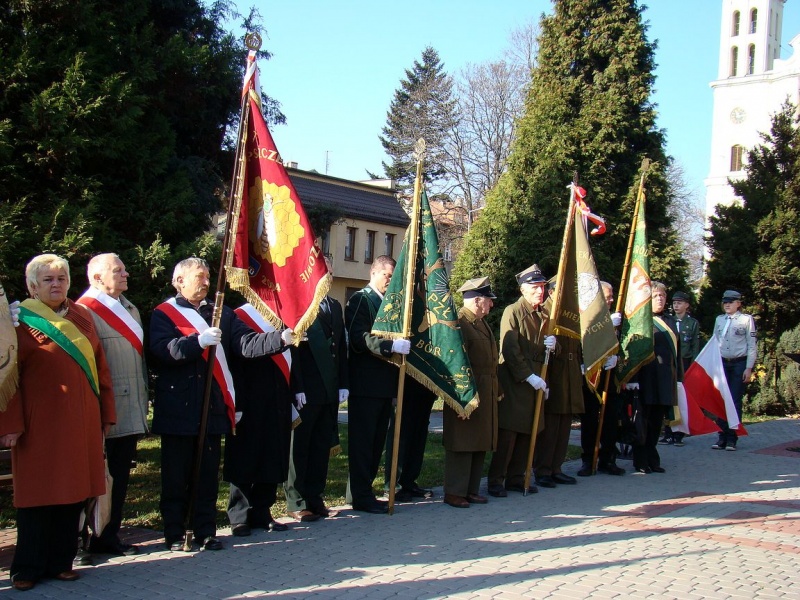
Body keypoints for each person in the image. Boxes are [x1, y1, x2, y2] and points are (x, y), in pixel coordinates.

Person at [149, 257, 296, 551]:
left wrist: (280, 338)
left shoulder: (223, 314)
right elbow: (162, 352)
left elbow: (246, 344)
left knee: (206, 476)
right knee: (177, 477)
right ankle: (176, 533)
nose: (205, 282)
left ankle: (204, 531)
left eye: (207, 277)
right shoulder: (163, 314)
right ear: (179, 282)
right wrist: (197, 342)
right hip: (180, 407)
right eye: (199, 277)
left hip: (211, 407)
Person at [0, 254, 116, 591]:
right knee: (38, 496)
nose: (56, 284)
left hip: (81, 421)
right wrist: (10, 423)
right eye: (48, 279)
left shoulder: (82, 317)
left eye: (61, 278)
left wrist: (106, 413)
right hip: (38, 424)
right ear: (33, 285)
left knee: (72, 492)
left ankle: (60, 562)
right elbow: (8, 377)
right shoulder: (18, 320)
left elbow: (100, 368)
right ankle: (26, 568)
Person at [77, 254, 148, 557]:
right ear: (96, 278)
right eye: (117, 271)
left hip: (129, 406)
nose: (125, 274)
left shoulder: (129, 307)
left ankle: (108, 536)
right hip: (102, 410)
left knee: (117, 477)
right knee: (90, 480)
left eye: (124, 268)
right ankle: (80, 540)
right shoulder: (83, 311)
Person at [345, 255, 410, 514]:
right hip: (365, 384)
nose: (391, 281)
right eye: (388, 275)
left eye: (394, 277)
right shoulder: (360, 300)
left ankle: (361, 492)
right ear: (374, 272)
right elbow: (358, 337)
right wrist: (389, 346)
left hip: (385, 385)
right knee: (363, 442)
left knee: (375, 443)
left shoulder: (390, 304)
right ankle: (360, 495)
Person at [223, 303, 295, 537]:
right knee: (245, 454)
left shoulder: (283, 316)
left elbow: (295, 355)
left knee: (272, 453)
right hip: (249, 395)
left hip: (277, 394)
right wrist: (236, 401)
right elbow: (236, 358)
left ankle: (263, 511)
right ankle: (239, 515)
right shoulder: (240, 315)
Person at [488, 264, 555, 497]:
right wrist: (528, 375)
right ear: (523, 290)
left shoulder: (544, 314)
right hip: (516, 381)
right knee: (508, 433)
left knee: (529, 431)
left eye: (543, 287)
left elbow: (540, 349)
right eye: (535, 287)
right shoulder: (513, 311)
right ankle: (496, 479)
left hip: (536, 379)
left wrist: (549, 348)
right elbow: (510, 348)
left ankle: (517, 478)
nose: (541, 292)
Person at [285, 281, 349, 522]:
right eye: (323, 272)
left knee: (321, 446)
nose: (326, 277)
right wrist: (297, 387)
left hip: (329, 388)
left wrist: (343, 382)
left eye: (329, 273)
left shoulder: (334, 305)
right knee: (300, 447)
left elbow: (340, 348)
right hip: (307, 390)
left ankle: (315, 497)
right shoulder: (299, 305)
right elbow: (295, 350)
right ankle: (296, 501)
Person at [443, 277, 500, 508]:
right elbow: (453, 361)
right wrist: (459, 398)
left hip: (485, 389)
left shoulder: (480, 322)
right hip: (465, 390)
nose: (492, 304)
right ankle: (454, 491)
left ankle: (471, 489)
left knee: (479, 439)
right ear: (477, 300)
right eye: (489, 300)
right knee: (463, 440)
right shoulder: (459, 323)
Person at [626, 282, 682, 474]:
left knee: (657, 421)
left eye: (662, 296)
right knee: (644, 419)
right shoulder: (641, 321)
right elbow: (632, 351)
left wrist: (679, 378)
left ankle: (652, 456)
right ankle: (640, 459)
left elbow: (677, 354)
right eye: (656, 296)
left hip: (665, 378)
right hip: (646, 378)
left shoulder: (670, 321)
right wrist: (632, 377)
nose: (660, 299)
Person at [534, 277, 582, 489]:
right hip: (553, 373)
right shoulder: (546, 311)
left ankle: (556, 467)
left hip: (570, 374)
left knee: (564, 425)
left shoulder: (569, 314)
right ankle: (543, 469)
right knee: (551, 425)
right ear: (553, 291)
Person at [578, 281, 625, 476]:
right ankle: (588, 460)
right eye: (607, 296)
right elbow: (582, 340)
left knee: (610, 420)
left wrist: (618, 358)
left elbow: (628, 343)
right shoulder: (587, 317)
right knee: (589, 420)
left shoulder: (620, 320)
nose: (611, 299)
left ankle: (608, 458)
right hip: (591, 377)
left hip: (610, 378)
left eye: (612, 295)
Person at [711, 289, 757, 451]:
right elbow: (714, 342)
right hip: (722, 363)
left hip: (738, 363)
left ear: (738, 303)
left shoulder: (746, 320)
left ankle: (732, 437)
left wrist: (748, 368)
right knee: (721, 400)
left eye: (731, 302)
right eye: (725, 302)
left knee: (734, 400)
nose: (727, 305)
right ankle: (721, 436)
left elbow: (752, 345)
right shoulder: (719, 320)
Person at [384, 375, 436, 502]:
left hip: (425, 383)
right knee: (401, 433)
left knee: (419, 433)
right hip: (405, 381)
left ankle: (409, 481)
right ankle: (393, 485)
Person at [660, 290, 700, 446]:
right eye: (674, 303)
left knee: (681, 400)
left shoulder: (692, 323)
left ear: (687, 305)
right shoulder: (668, 321)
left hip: (685, 363)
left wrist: (694, 367)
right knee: (669, 399)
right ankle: (668, 431)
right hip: (670, 364)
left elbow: (695, 346)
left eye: (680, 303)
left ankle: (680, 433)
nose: (676, 306)